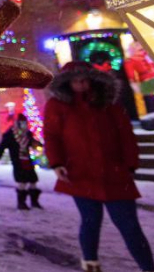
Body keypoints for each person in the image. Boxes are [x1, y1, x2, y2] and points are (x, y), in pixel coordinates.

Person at [44, 61, 154, 272]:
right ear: (67, 84)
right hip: (81, 175)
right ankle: (91, 264)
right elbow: (52, 136)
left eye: (84, 80)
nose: (81, 84)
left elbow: (125, 136)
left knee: (130, 226)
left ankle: (148, 267)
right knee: (90, 222)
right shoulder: (57, 106)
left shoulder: (109, 105)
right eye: (76, 81)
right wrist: (57, 163)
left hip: (115, 175)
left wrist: (130, 164)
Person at [0, 115, 43, 210]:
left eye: (24, 123)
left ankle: (34, 202)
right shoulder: (10, 135)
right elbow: (2, 146)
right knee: (22, 182)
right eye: (21, 123)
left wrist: (38, 144)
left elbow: (31, 142)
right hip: (18, 161)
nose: (23, 125)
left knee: (33, 181)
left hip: (27, 161)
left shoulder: (27, 134)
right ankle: (21, 203)